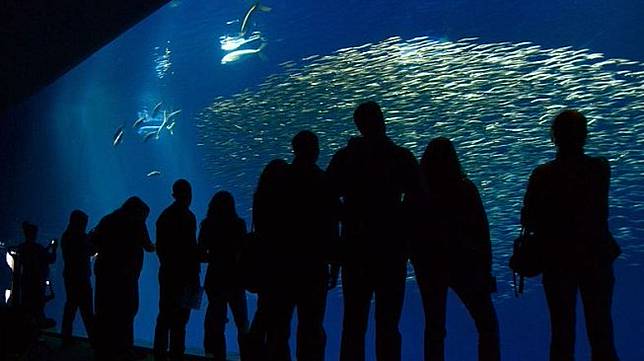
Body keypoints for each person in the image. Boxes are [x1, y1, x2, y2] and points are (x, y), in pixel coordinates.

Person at [522, 110, 621, 361]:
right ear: (585, 135)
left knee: (562, 333)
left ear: (554, 137)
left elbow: (528, 219)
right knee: (601, 332)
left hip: (558, 261)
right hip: (596, 258)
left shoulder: (543, 174)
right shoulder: (599, 168)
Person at [326, 101, 420, 361]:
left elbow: (327, 200)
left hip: (354, 249)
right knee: (388, 325)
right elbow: (419, 200)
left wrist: (347, 220)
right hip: (391, 251)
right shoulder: (400, 156)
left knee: (353, 324)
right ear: (382, 121)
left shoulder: (344, 158)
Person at [411, 137, 500, 361]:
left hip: (429, 266)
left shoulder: (418, 194)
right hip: (465, 264)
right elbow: (482, 232)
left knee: (434, 327)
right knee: (487, 323)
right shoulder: (465, 188)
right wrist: (486, 269)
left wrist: (416, 260)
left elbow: (408, 230)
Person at [264, 131, 340, 361]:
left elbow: (267, 222)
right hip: (313, 267)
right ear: (314, 150)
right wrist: (335, 265)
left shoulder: (279, 179)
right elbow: (333, 225)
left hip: (281, 265)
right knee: (311, 328)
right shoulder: (323, 181)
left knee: (279, 327)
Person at [91, 196, 155, 361]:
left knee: (104, 311)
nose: (145, 220)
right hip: (126, 277)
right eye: (144, 216)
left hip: (105, 275)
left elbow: (93, 244)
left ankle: (103, 350)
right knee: (127, 311)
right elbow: (148, 246)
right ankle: (125, 350)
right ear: (137, 212)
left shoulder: (107, 220)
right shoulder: (136, 224)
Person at [248, 158, 291, 361]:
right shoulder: (285, 199)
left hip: (264, 263)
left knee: (264, 311)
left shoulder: (259, 197)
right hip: (281, 265)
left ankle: (256, 351)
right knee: (278, 318)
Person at [154, 179, 201, 361]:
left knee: (165, 316)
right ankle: (176, 355)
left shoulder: (164, 216)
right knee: (180, 320)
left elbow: (161, 250)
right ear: (188, 194)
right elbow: (191, 248)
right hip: (185, 276)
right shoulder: (189, 217)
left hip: (168, 274)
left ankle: (160, 354)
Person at [198, 191, 249, 361]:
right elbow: (244, 253)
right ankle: (247, 356)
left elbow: (200, 253)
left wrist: (214, 257)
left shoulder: (207, 224)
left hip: (215, 279)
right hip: (235, 278)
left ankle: (217, 357)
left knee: (215, 325)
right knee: (242, 323)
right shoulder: (239, 224)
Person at [61, 209, 95, 346]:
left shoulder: (66, 236)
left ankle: (66, 337)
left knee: (71, 307)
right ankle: (94, 339)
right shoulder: (80, 237)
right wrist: (91, 239)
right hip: (80, 277)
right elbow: (91, 250)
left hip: (70, 275)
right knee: (87, 310)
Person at [15, 221, 57, 328]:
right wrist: (54, 248)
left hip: (25, 282)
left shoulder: (22, 247)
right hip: (37, 283)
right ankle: (36, 333)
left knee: (27, 309)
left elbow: (38, 255)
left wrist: (47, 248)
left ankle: (26, 334)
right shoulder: (37, 248)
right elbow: (51, 259)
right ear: (34, 234)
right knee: (37, 309)